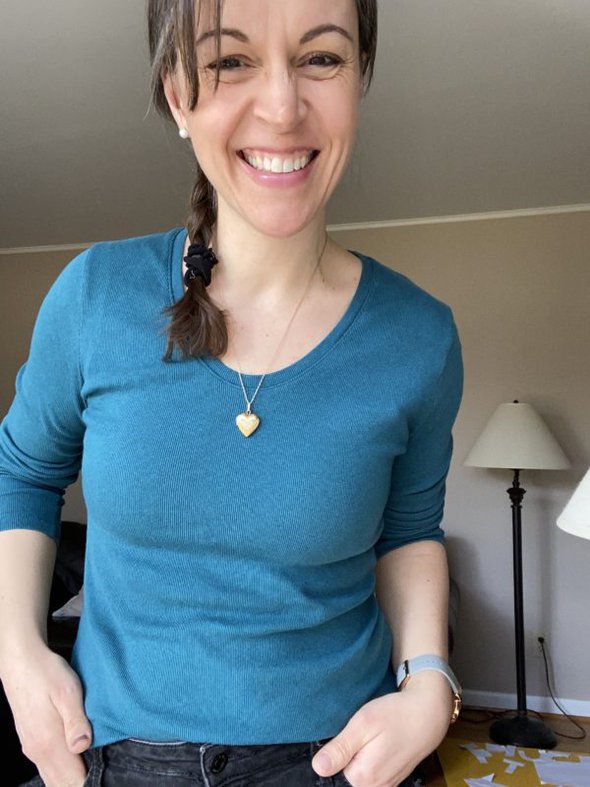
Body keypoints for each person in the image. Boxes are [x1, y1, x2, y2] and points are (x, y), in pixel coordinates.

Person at [0, 1, 463, 785]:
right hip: (113, 754)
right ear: (177, 97)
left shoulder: (419, 336)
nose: (282, 107)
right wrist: (17, 652)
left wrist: (430, 682)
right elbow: (22, 472)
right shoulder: (94, 296)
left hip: (340, 758)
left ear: (359, 78)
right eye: (230, 61)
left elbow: (410, 529)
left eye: (322, 58)